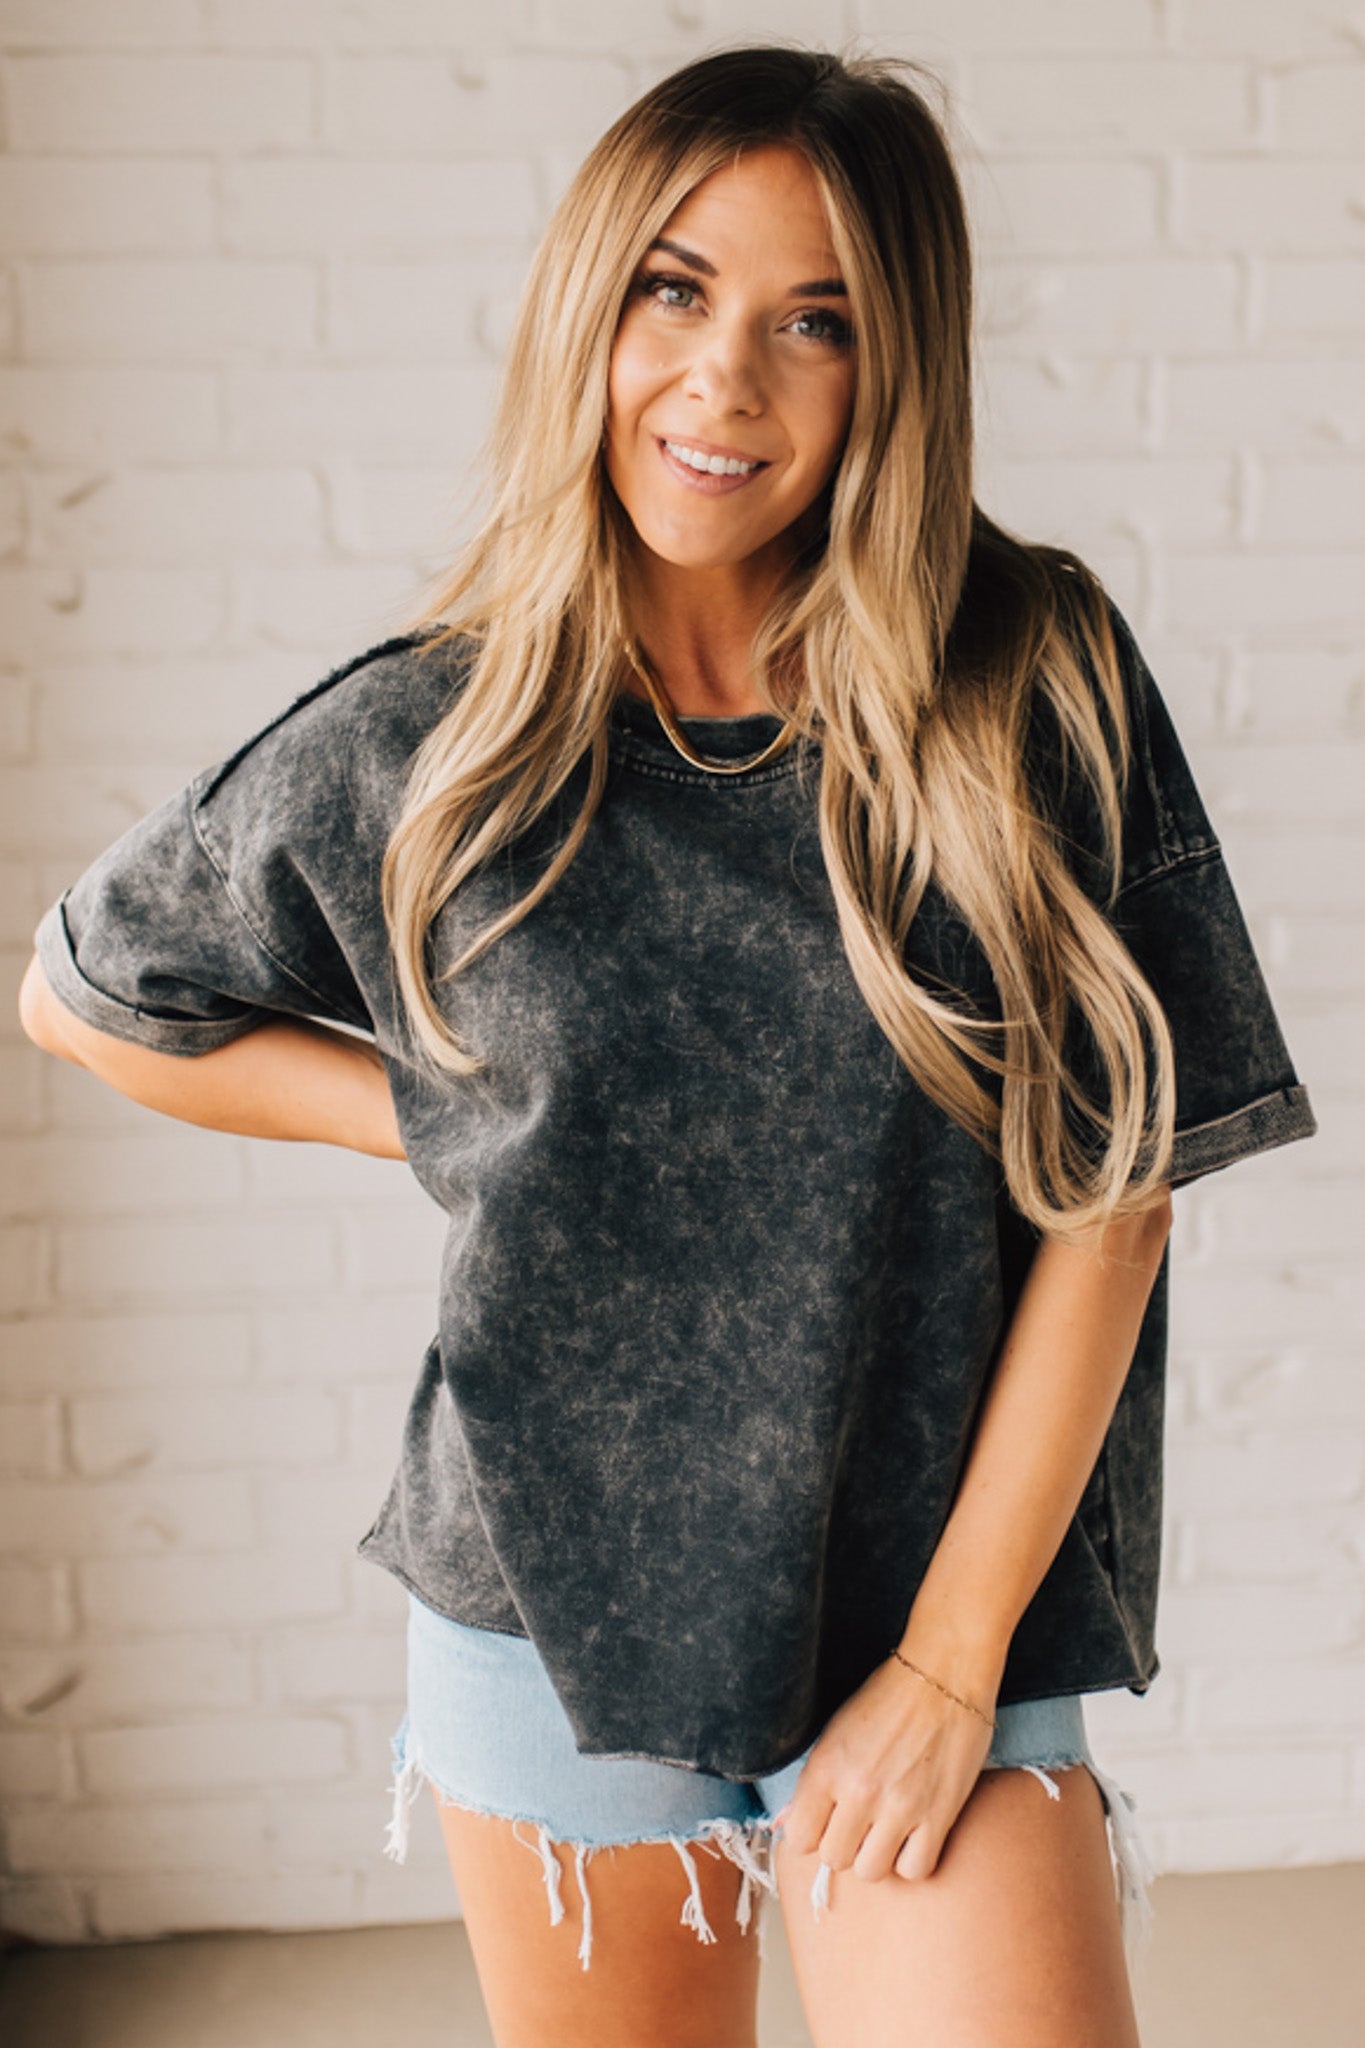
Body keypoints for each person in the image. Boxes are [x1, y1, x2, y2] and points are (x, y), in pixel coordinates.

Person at [18, 43, 1316, 2048]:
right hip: (550, 1612)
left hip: (933, 1599)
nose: (726, 381)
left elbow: (1114, 1189)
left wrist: (952, 1664)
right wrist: (452, 1116)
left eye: (818, 323)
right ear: (586, 307)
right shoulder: (426, 741)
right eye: (673, 289)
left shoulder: (1020, 673)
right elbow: (88, 1000)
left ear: (895, 368)